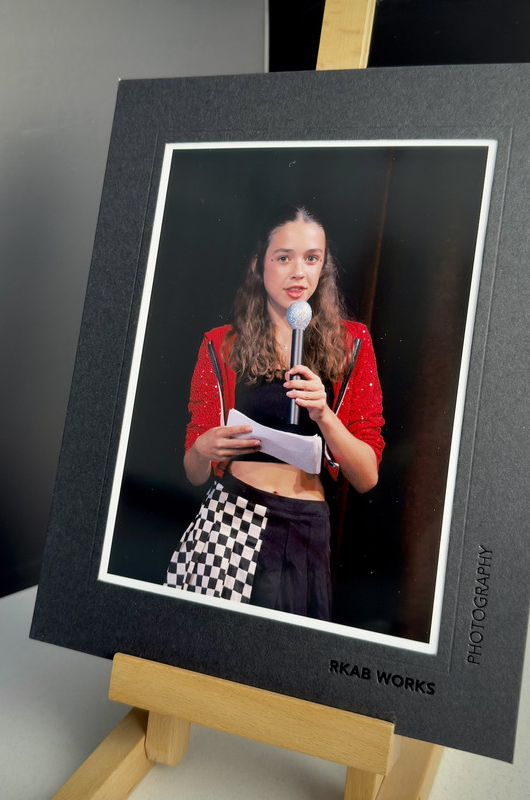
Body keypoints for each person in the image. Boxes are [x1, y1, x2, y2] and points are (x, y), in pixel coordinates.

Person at [165, 206, 384, 620]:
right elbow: (194, 472)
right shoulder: (221, 345)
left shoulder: (352, 343)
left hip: (307, 527)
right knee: (214, 656)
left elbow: (366, 476)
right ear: (257, 263)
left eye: (311, 258)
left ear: (324, 267)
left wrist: (323, 413)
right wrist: (204, 447)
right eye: (284, 257)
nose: (299, 272)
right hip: (233, 516)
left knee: (284, 670)